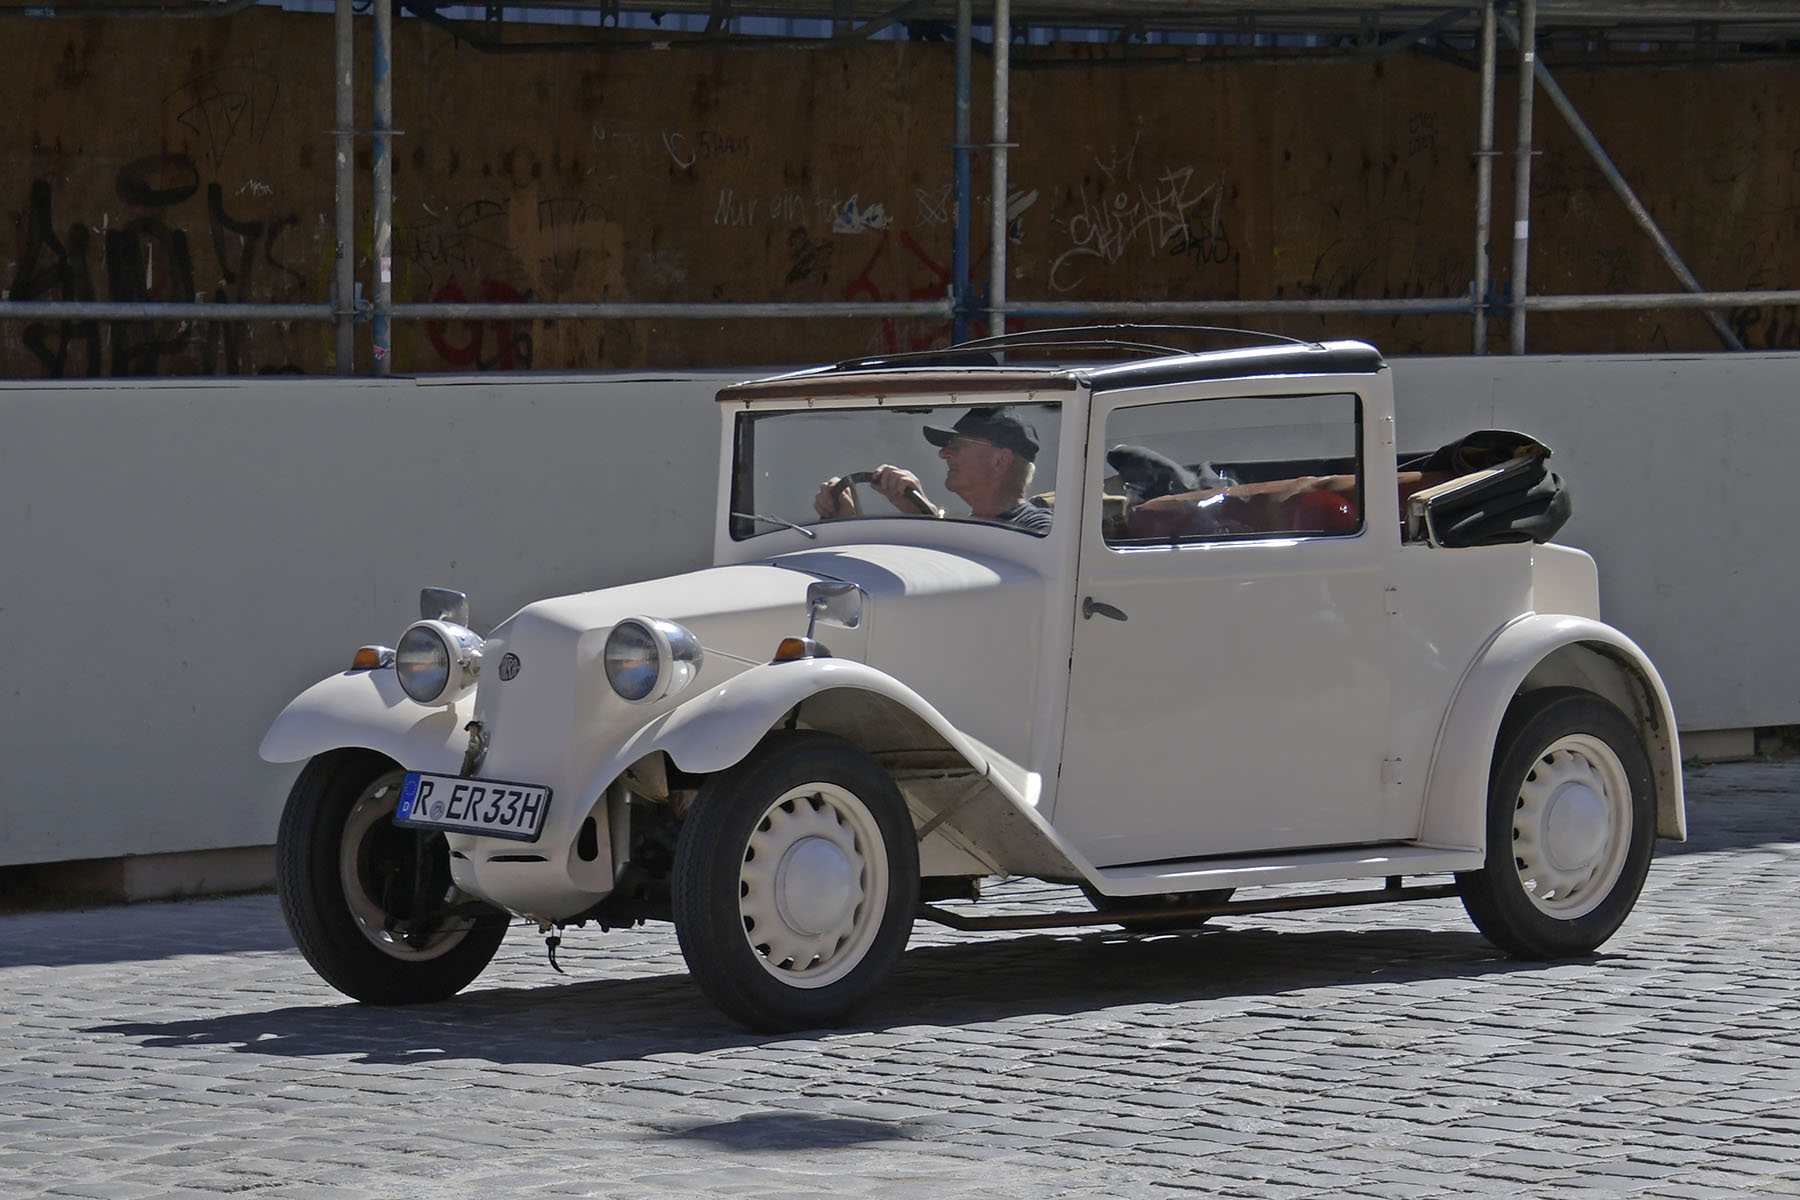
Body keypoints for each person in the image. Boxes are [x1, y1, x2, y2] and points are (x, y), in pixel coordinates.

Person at [812, 406, 1052, 534]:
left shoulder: (1040, 530)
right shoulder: (972, 529)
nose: (943, 454)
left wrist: (928, 517)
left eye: (957, 445)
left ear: (1000, 461)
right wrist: (844, 525)